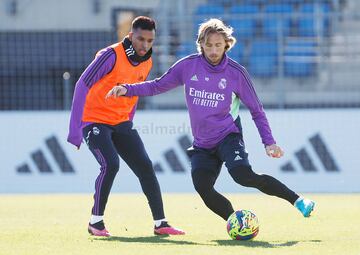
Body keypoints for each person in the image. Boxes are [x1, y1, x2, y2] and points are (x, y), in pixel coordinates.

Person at [106, 18, 315, 222]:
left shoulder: (236, 73)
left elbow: (256, 110)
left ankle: (297, 201)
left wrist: (269, 142)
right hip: (202, 144)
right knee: (202, 187)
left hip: (228, 136)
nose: (213, 51)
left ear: (226, 44)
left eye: (218, 45)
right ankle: (236, 221)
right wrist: (128, 89)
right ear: (201, 45)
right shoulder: (188, 66)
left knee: (243, 175)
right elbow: (157, 85)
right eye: (208, 45)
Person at [67, 16, 185, 237]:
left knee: (146, 167)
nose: (145, 45)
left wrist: (128, 120)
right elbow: (82, 85)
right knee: (111, 164)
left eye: (150, 40)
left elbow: (135, 93)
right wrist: (75, 131)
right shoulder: (110, 55)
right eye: (140, 39)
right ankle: (96, 222)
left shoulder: (147, 61)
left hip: (121, 122)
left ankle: (161, 223)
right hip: (94, 120)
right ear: (130, 36)